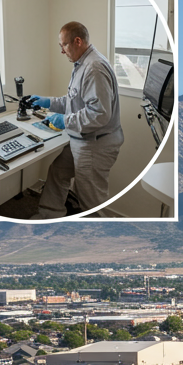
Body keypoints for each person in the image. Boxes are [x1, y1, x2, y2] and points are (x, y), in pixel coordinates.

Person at [27, 21, 123, 219]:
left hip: (95, 145)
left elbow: (99, 114)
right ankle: (50, 215)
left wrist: (65, 121)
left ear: (77, 41)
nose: (62, 51)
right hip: (82, 139)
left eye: (63, 45)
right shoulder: (82, 63)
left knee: (90, 202)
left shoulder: (94, 68)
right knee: (58, 172)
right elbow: (74, 101)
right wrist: (48, 102)